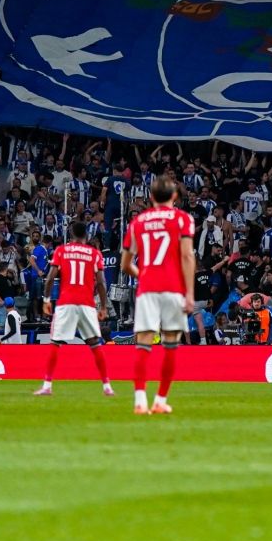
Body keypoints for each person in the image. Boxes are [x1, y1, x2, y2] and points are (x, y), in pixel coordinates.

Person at [119, 176, 196, 415]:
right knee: (171, 345)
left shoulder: (137, 222)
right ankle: (160, 400)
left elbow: (125, 264)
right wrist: (190, 293)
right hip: (173, 289)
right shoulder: (183, 219)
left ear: (151, 197)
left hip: (147, 289)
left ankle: (140, 401)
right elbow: (186, 256)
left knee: (143, 345)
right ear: (174, 196)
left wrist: (142, 275)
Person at [35, 221, 113, 396]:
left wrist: (46, 299)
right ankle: (107, 386)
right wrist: (104, 306)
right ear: (86, 235)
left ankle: (47, 386)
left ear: (71, 234)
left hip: (66, 303)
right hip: (87, 304)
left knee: (55, 343)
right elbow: (101, 282)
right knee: (94, 344)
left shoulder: (62, 251)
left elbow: (49, 278)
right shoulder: (95, 254)